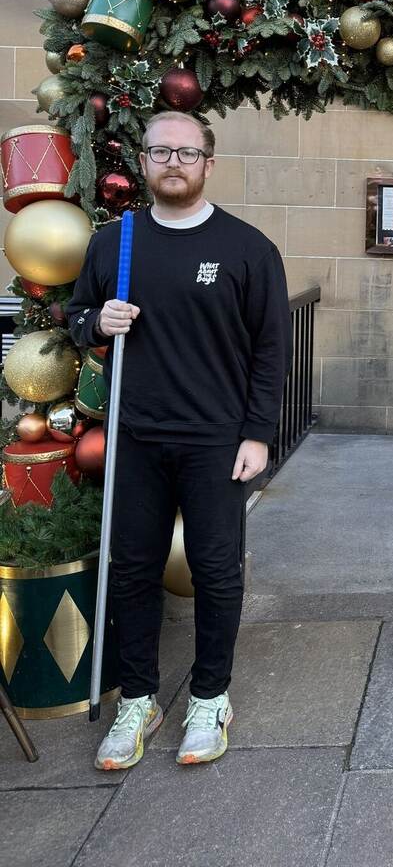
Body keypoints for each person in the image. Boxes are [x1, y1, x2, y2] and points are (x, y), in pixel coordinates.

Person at [66, 111, 291, 770]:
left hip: (216, 442)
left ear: (208, 164)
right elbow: (78, 315)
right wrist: (94, 321)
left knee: (217, 572)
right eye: (160, 151)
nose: (173, 162)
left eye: (186, 153)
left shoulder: (248, 249)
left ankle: (209, 697)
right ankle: (138, 698)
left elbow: (270, 350)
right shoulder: (116, 243)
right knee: (132, 568)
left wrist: (258, 434)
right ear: (143, 161)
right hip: (135, 437)